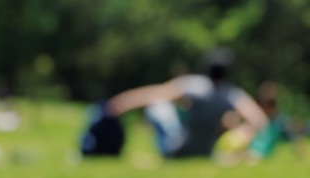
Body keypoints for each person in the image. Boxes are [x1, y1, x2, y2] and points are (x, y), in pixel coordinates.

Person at [106, 49, 268, 159]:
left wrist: (120, 103)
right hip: (205, 152)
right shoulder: (230, 94)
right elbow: (259, 121)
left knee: (158, 108)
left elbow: (153, 95)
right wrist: (241, 136)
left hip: (177, 150)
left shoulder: (193, 85)